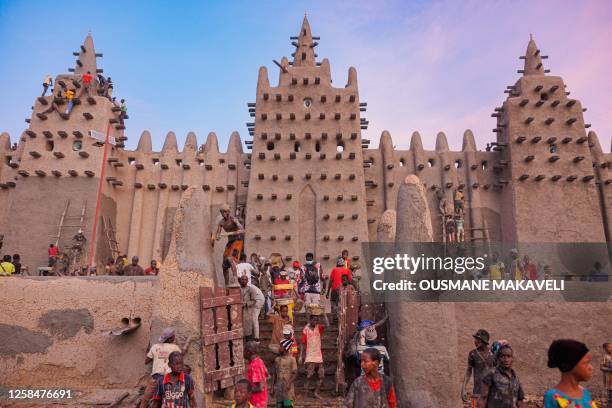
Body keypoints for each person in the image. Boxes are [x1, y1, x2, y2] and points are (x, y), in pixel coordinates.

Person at [543, 339, 597, 408]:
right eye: (586, 363)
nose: (591, 368)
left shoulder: (585, 393)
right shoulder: (553, 397)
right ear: (569, 365)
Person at [140, 328, 183, 408]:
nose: (174, 337)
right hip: (169, 380)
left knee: (146, 399)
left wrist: (157, 355)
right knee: (169, 401)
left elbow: (146, 361)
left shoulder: (155, 347)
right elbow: (180, 359)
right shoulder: (175, 348)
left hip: (155, 379)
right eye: (173, 336)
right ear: (170, 338)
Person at [479, 342, 524, 408]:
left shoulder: (515, 378)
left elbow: (520, 400)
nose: (506, 360)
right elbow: (483, 398)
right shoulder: (491, 374)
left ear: (512, 359)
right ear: (498, 358)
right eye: (502, 356)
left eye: (509, 356)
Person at [300, 311, 330, 399]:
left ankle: (316, 393)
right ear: (310, 320)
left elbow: (327, 325)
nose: (315, 322)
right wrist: (301, 356)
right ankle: (305, 392)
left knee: (321, 376)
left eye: (316, 320)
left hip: (318, 356)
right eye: (313, 320)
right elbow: (302, 343)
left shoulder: (319, 327)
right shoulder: (305, 329)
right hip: (309, 356)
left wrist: (324, 314)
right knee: (309, 376)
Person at [214, 204, 245, 286]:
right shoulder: (221, 222)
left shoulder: (233, 219)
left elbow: (242, 230)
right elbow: (218, 233)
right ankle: (226, 285)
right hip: (230, 242)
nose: (223, 213)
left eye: (224, 212)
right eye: (222, 212)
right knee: (224, 265)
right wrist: (217, 236)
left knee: (230, 259)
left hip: (237, 241)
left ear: (228, 212)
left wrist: (232, 233)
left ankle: (236, 281)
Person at [462, 329, 495, 407]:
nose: (475, 341)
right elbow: (469, 371)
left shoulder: (493, 353)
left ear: (483, 341)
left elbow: (498, 372)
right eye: (475, 339)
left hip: (491, 393)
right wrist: (463, 388)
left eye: (477, 339)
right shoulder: (473, 354)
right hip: (477, 392)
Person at [272, 339, 298, 408]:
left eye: (281, 347)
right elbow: (274, 374)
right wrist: (272, 387)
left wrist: (289, 383)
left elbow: (295, 373)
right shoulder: (277, 359)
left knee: (288, 405)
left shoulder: (292, 359)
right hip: (279, 387)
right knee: (279, 404)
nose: (279, 348)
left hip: (288, 388)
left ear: (285, 348)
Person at [240, 275, 265, 342]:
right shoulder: (239, 289)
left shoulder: (251, 289)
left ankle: (256, 338)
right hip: (241, 310)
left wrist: (246, 303)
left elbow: (254, 301)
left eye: (245, 279)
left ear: (247, 281)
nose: (243, 281)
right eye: (242, 279)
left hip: (250, 308)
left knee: (252, 320)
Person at [245, 341, 268, 408]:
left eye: (245, 350)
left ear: (249, 352)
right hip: (260, 400)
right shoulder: (259, 360)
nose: (243, 353)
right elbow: (267, 375)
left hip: (257, 402)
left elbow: (260, 387)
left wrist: (245, 392)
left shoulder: (254, 365)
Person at [601, 342, 612, 407]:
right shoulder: (605, 357)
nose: (611, 348)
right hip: (609, 377)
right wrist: (609, 369)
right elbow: (601, 367)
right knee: (610, 390)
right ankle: (610, 403)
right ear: (604, 349)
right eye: (609, 347)